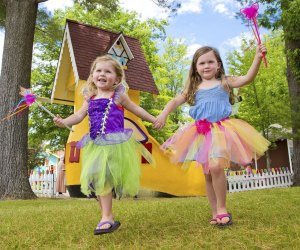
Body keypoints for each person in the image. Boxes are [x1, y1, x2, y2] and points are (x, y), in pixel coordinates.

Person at [154, 44, 270, 227]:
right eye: (201, 63)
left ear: (218, 65)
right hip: (201, 132)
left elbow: (247, 78)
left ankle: (223, 208)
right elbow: (175, 100)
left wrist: (257, 57)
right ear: (195, 67)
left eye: (210, 62)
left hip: (222, 130)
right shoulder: (193, 87)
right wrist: (163, 114)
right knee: (207, 173)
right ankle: (215, 212)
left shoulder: (224, 81)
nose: (206, 66)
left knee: (216, 167)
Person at [54, 55, 156, 235]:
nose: (102, 74)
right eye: (98, 70)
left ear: (116, 79)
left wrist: (154, 119)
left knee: (105, 179)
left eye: (107, 71)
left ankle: (106, 217)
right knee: (95, 179)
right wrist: (64, 121)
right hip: (95, 144)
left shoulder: (118, 96)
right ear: (92, 75)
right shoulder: (90, 98)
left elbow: (137, 109)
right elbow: (78, 116)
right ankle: (105, 215)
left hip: (115, 144)